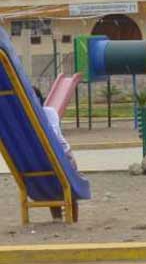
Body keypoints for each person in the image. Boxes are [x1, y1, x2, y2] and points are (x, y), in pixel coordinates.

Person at [32, 86, 78, 222]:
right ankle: (57, 219)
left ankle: (73, 219)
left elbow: (54, 134)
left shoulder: (49, 112)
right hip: (43, 155)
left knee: (71, 186)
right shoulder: (26, 116)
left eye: (35, 97)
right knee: (51, 187)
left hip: (63, 153)